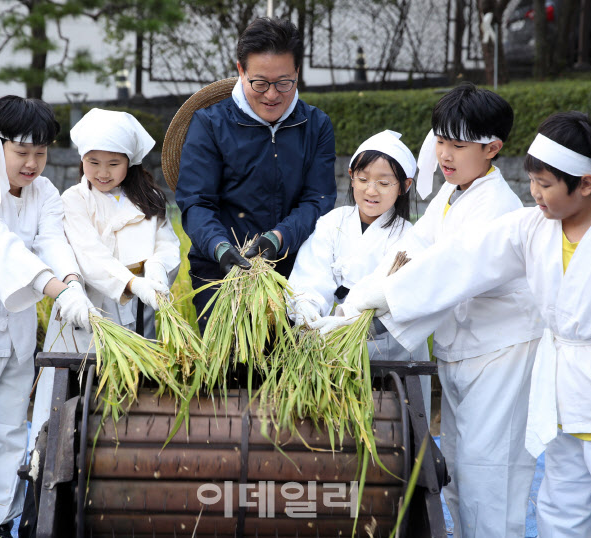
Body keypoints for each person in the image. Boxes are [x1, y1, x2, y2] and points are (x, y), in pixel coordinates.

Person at [337, 111, 591, 537]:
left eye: (545, 185)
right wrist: (385, 295)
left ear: (586, 184)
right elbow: (459, 261)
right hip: (561, 397)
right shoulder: (530, 228)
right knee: (562, 514)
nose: (534, 195)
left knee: (491, 481)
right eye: (533, 182)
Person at [316, 83, 544, 538]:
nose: (445, 154)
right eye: (440, 141)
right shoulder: (452, 194)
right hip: (464, 354)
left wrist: (368, 310)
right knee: (459, 474)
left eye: (458, 146)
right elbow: (411, 252)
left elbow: (444, 275)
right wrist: (348, 311)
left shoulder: (495, 206)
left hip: (501, 356)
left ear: (493, 148)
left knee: (489, 481)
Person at [0, 95, 94, 538]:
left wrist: (72, 281)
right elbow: (2, 251)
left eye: (41, 153)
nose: (32, 164)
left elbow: (52, 240)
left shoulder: (44, 192)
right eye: (22, 152)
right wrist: (55, 288)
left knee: (10, 424)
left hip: (17, 317)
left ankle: (1, 521)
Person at [31, 107, 180, 456]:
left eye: (113, 163)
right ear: (81, 160)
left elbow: (168, 244)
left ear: (129, 162)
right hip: (85, 313)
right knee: (71, 405)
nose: (102, 172)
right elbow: (89, 257)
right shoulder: (74, 200)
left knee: (127, 405)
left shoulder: (150, 198)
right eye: (93, 162)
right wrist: (133, 283)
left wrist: (157, 271)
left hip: (137, 319)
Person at [175, 17, 336, 334]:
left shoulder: (315, 125)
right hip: (219, 270)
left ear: (297, 74)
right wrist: (220, 248)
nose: (272, 95)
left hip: (295, 269)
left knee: (289, 372)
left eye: (284, 82)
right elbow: (195, 203)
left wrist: (279, 238)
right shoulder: (210, 124)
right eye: (259, 83)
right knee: (229, 372)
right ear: (240, 70)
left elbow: (318, 200)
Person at [288, 130, 430, 414]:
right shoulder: (332, 223)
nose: (371, 190)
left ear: (404, 185)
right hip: (331, 349)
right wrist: (307, 313)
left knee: (392, 427)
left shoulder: (410, 238)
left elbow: (400, 301)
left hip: (390, 353)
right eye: (363, 179)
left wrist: (347, 323)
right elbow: (310, 276)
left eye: (384, 182)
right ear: (351, 176)